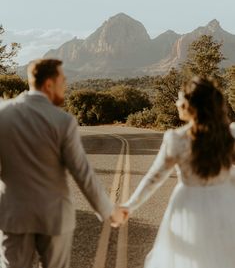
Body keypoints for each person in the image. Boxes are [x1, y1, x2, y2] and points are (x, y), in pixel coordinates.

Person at [0, 59, 123, 268]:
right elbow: (82, 173)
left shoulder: (3, 114)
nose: (65, 86)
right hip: (54, 217)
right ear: (49, 84)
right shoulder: (63, 121)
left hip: (13, 215)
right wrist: (109, 211)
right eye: (63, 81)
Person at [119, 77, 235, 268]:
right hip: (227, 202)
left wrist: (129, 206)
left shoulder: (177, 139)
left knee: (191, 259)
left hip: (189, 207)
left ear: (192, 105)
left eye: (181, 98)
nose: (177, 103)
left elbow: (154, 178)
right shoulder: (230, 135)